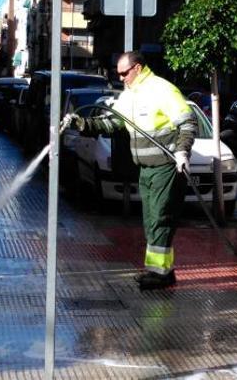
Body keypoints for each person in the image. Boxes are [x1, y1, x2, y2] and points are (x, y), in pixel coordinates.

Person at [62, 52, 197, 290]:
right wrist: (82, 124)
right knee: (151, 220)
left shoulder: (162, 90)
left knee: (160, 218)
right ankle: (160, 270)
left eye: (124, 73)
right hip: (145, 169)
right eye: (119, 74)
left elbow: (187, 123)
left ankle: (160, 274)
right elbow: (113, 123)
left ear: (138, 68)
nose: (121, 78)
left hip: (165, 167)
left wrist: (183, 152)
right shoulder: (129, 96)